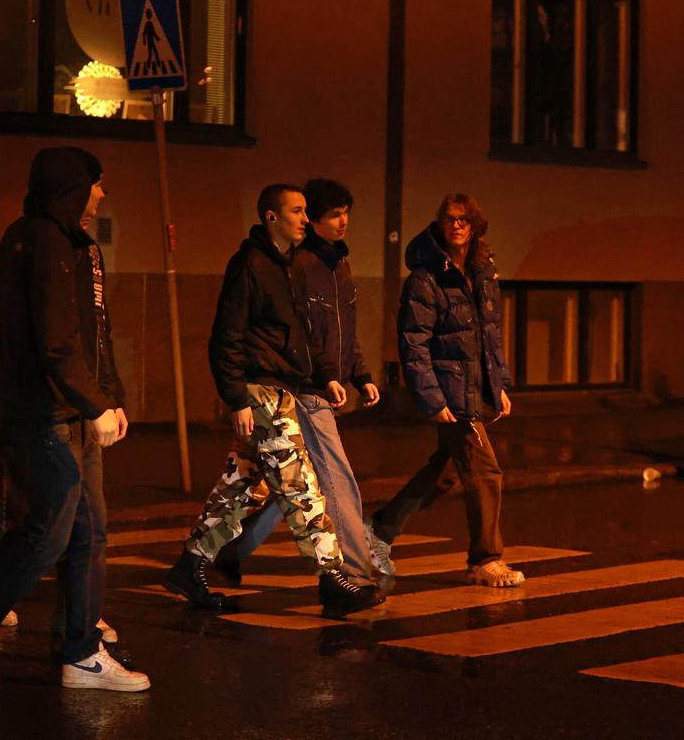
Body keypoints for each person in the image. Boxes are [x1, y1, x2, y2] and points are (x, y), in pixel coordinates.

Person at [0, 147, 148, 692]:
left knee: (89, 533)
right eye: (96, 183)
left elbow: (95, 332)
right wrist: (91, 401)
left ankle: (81, 651)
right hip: (41, 414)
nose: (103, 193)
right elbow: (55, 340)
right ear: (72, 185)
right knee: (45, 534)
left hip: (74, 411)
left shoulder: (79, 246)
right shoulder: (37, 240)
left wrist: (110, 398)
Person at [164, 183, 382, 619]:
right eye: (297, 212)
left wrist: (326, 376)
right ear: (271, 217)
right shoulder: (249, 264)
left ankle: (190, 565)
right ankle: (332, 580)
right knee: (300, 485)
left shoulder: (289, 266)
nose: (305, 219)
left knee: (243, 483)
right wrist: (236, 398)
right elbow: (226, 336)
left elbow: (303, 332)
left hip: (283, 389)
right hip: (260, 391)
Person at [215, 178, 380, 588]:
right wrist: (239, 396)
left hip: (312, 383)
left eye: (345, 214)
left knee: (283, 483)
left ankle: (224, 551)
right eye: (332, 215)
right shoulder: (291, 264)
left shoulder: (336, 266)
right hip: (297, 389)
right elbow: (236, 334)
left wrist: (357, 374)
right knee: (330, 477)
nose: (342, 222)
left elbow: (338, 332)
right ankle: (352, 570)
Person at [365, 193, 524, 587]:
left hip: (476, 389)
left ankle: (380, 529)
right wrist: (432, 398)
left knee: (448, 472)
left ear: (475, 225)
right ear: (440, 224)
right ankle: (486, 559)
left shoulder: (483, 271)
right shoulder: (426, 278)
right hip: (452, 393)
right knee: (486, 473)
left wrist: (499, 386)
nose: (456, 225)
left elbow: (491, 336)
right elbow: (413, 343)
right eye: (450, 219)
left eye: (463, 219)